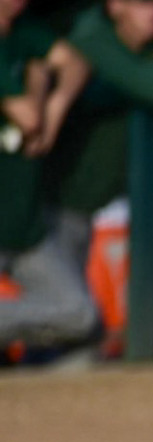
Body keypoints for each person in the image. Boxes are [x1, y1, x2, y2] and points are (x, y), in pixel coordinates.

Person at [42, 0, 153, 360]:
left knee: (106, 317)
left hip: (124, 199)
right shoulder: (91, 36)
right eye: (143, 3)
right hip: (66, 196)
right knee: (67, 312)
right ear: (116, 6)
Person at [0, 0, 95, 362]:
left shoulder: (23, 32)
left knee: (79, 315)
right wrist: (39, 76)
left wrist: (55, 108)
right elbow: (26, 117)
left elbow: (76, 62)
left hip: (24, 229)